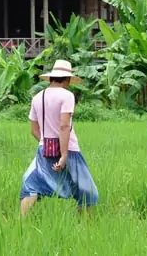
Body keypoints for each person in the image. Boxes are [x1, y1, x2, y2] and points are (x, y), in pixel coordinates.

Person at [19, 60, 98, 215]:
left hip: (44, 149)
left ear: (51, 78)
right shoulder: (67, 95)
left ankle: (21, 222)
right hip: (69, 148)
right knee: (85, 188)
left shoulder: (37, 97)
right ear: (67, 80)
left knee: (32, 185)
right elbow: (64, 125)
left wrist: (47, 144)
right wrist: (63, 154)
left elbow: (34, 130)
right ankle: (88, 227)